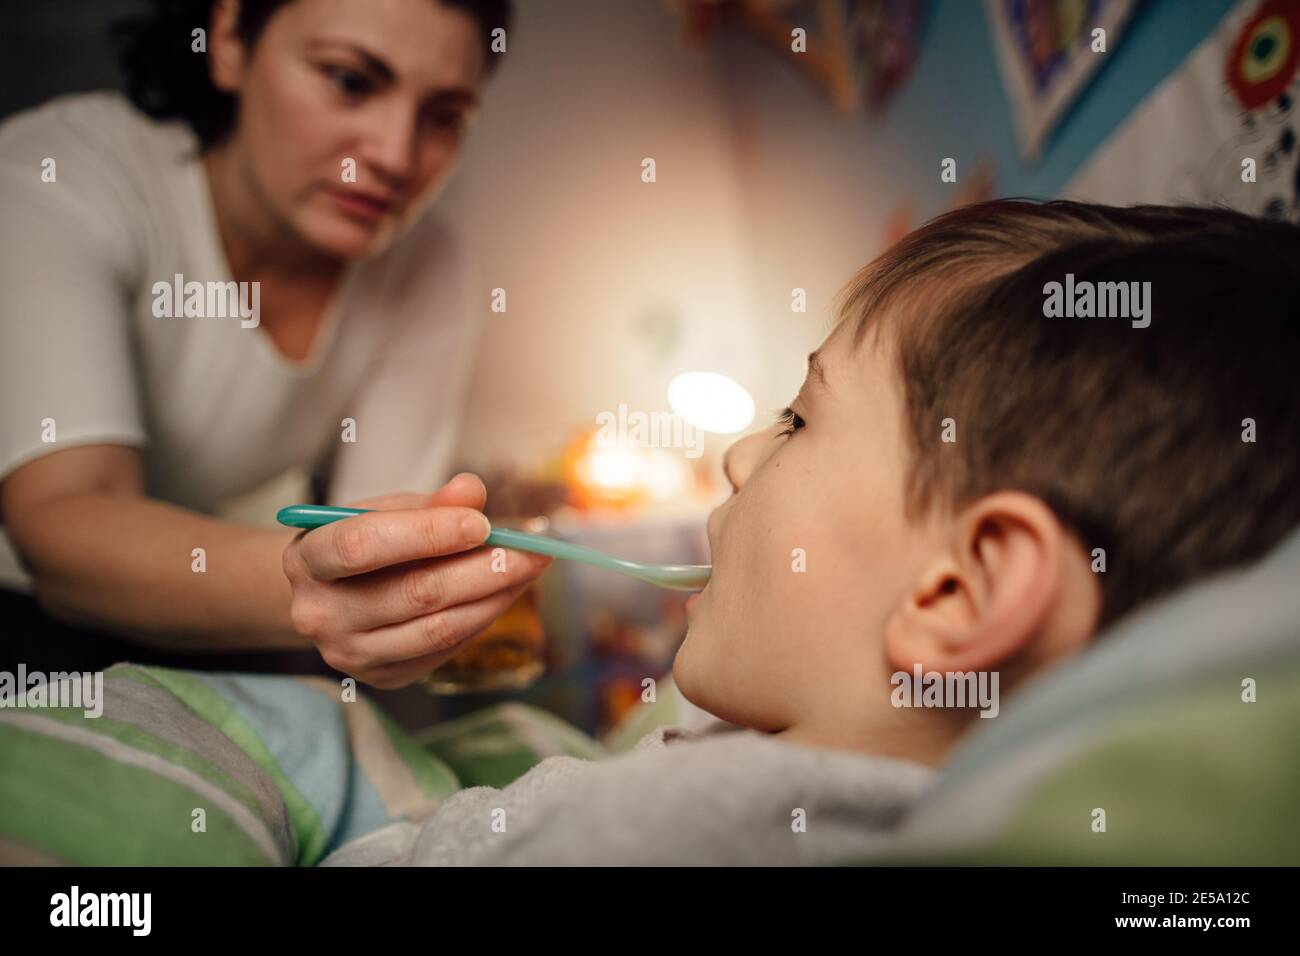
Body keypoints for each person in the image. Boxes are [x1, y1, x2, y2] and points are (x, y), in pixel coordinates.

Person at [0, 0, 551, 688]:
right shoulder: (61, 174)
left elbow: (378, 553)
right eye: (350, 81)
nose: (393, 155)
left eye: (442, 116)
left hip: (220, 629)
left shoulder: (429, 264)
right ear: (230, 38)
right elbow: (65, 523)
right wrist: (322, 590)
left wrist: (394, 608)